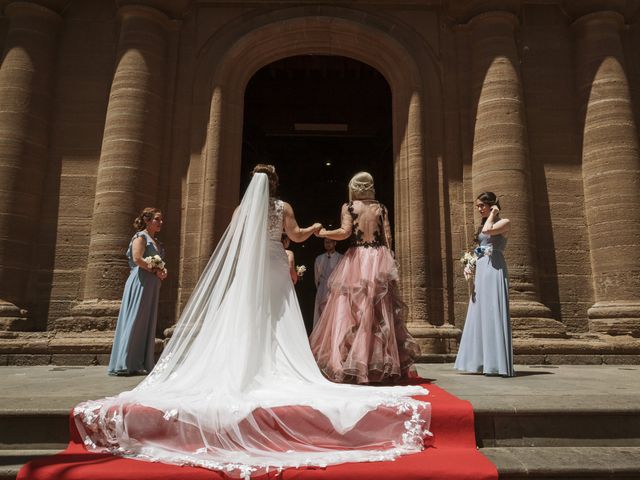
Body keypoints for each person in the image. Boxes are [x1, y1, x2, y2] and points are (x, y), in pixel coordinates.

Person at [74, 165, 431, 478]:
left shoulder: (243, 208)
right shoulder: (282, 207)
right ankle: (281, 363)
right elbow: (295, 236)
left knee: (247, 313)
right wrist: (314, 229)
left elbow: (238, 241)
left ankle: (242, 362)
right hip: (276, 263)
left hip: (252, 268)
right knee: (279, 316)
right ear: (275, 184)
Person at [309, 172, 420, 384]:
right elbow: (388, 238)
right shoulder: (381, 208)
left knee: (352, 309)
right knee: (379, 311)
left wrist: (323, 233)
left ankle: (350, 362)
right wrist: (389, 265)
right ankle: (377, 364)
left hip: (358, 258)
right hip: (378, 257)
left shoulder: (349, 207)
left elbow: (344, 232)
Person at [454, 191, 515, 377]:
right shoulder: (484, 223)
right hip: (482, 268)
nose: (479, 209)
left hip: (494, 268)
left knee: (492, 309)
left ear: (492, 205)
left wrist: (493, 214)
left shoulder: (504, 223)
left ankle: (496, 363)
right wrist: (470, 263)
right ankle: (479, 362)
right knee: (478, 311)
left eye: (482, 205)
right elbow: (480, 247)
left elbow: (488, 231)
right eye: (478, 206)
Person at [108, 208, 168, 376]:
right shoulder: (141, 237)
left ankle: (140, 361)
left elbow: (157, 262)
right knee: (136, 319)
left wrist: (163, 270)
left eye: (161, 219)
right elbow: (137, 259)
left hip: (151, 283)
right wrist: (155, 270)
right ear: (147, 220)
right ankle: (126, 362)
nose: (160, 222)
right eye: (157, 219)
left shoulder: (156, 242)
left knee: (146, 320)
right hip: (140, 281)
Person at [313, 238, 343, 325]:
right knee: (321, 313)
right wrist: (320, 288)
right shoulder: (319, 258)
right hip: (322, 289)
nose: (328, 244)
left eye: (330, 242)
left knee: (334, 312)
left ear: (335, 243)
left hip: (335, 289)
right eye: (326, 242)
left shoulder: (341, 257)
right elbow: (316, 276)